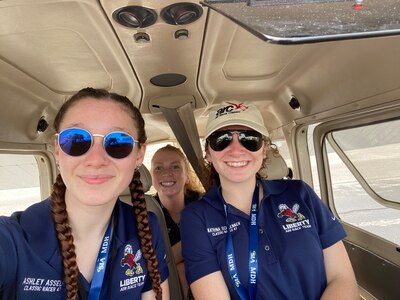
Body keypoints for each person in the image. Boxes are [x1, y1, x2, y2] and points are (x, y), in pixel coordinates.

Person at [0, 88, 169, 300]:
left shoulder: (145, 227)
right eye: (77, 140)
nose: (96, 159)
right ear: (58, 151)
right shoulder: (11, 239)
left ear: (139, 155)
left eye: (118, 142)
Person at [180, 101, 359, 300]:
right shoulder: (196, 217)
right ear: (208, 153)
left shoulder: (300, 193)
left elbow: (342, 278)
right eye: (222, 139)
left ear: (264, 149)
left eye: (250, 139)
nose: (236, 149)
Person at [150, 145, 203, 299]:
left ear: (187, 176)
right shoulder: (145, 213)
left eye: (175, 166)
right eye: (158, 168)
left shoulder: (204, 203)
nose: (167, 173)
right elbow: (154, 266)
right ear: (152, 178)